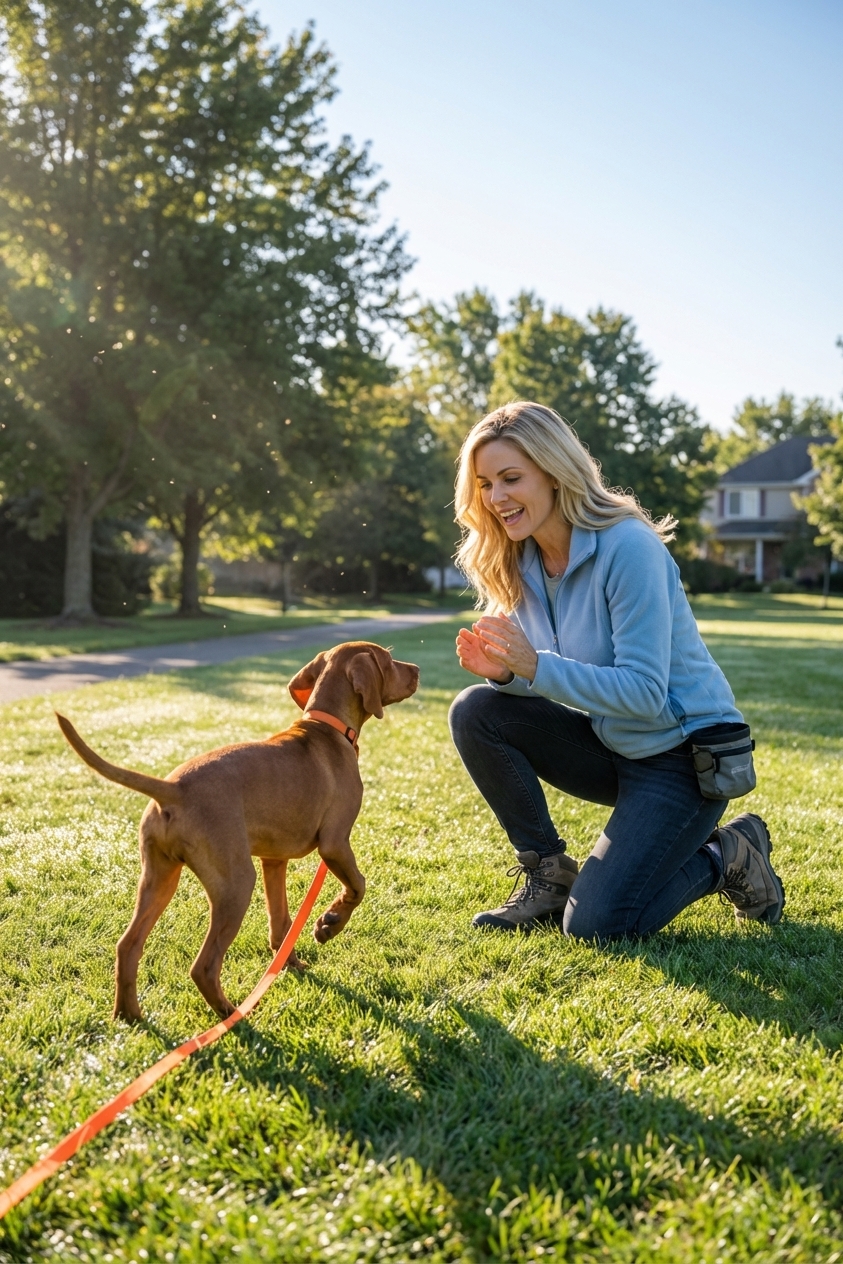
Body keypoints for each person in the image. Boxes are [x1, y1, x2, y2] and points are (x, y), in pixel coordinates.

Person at [448, 401, 785, 938]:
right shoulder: (520, 563)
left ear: (555, 473)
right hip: (615, 745)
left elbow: (647, 693)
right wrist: (509, 675)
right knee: (477, 709)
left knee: (600, 925)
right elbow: (554, 678)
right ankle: (548, 878)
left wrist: (534, 665)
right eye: (486, 484)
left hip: (686, 760)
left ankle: (729, 852)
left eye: (512, 478)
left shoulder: (628, 547)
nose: (496, 498)